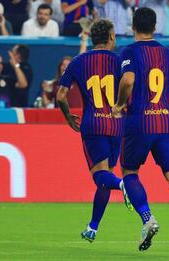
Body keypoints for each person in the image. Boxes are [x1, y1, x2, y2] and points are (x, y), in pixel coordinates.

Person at [112, 7, 169, 259]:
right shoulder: (167, 53)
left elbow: (127, 81)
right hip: (165, 122)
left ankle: (148, 219)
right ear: (155, 26)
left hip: (139, 121)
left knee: (129, 172)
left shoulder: (129, 51)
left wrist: (118, 105)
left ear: (133, 27)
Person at [56, 19, 132, 243]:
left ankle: (122, 184)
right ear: (110, 37)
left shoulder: (78, 62)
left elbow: (60, 95)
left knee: (101, 176)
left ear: (91, 38)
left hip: (93, 123)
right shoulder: (120, 62)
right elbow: (131, 87)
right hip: (117, 124)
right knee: (105, 175)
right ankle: (93, 227)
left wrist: (68, 115)